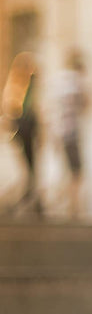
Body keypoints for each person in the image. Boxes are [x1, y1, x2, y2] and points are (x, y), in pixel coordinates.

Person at [48, 49, 89, 219]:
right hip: (71, 132)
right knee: (76, 171)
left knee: (65, 170)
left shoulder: (59, 81)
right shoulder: (76, 82)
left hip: (58, 131)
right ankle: (72, 206)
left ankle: (65, 204)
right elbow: (86, 104)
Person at [1, 51, 43, 217]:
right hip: (23, 130)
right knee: (27, 167)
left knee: (31, 167)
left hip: (28, 130)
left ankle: (31, 198)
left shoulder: (30, 87)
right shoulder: (17, 87)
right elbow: (12, 110)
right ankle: (28, 198)